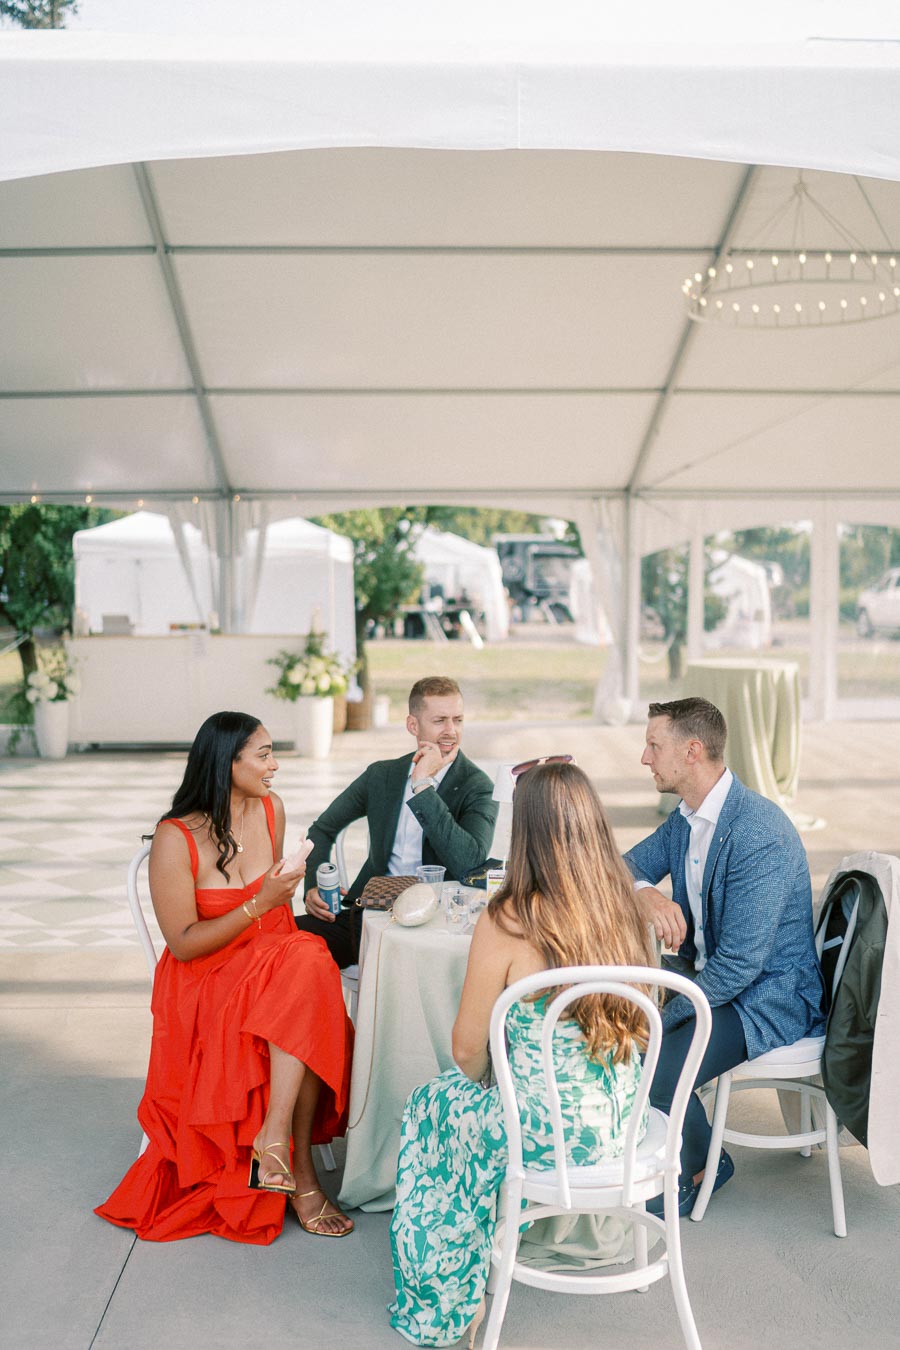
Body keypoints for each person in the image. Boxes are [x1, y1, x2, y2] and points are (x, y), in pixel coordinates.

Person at [389, 761, 655, 1347]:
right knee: (475, 1102)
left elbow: (465, 1049)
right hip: (621, 1124)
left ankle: (453, 1296)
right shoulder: (629, 910)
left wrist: (492, 1079)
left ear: (525, 834)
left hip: (541, 1135)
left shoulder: (510, 918)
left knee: (430, 1104)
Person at [95, 711, 355, 1244]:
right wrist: (261, 903)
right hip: (204, 979)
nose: (275, 765)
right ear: (226, 761)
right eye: (263, 755)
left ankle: (275, 1137)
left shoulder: (270, 809)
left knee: (305, 964)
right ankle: (297, 1168)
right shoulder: (175, 836)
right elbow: (185, 943)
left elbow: (277, 920)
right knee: (308, 967)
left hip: (274, 962)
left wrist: (290, 894)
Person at [625, 697, 826, 1216]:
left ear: (692, 751)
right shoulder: (686, 817)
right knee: (614, 1009)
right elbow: (621, 866)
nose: (645, 758)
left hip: (767, 995)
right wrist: (646, 891)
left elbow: (739, 967)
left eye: (654, 745)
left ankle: (703, 1168)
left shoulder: (756, 832)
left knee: (656, 1066)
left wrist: (665, 1012)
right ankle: (640, 1151)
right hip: (708, 976)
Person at [296, 676, 497, 967]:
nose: (451, 731)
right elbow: (323, 829)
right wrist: (314, 885)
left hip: (438, 924)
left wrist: (422, 788)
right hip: (370, 916)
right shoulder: (382, 775)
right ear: (413, 725)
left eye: (458, 720)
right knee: (280, 938)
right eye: (440, 720)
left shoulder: (477, 785)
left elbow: (468, 862)